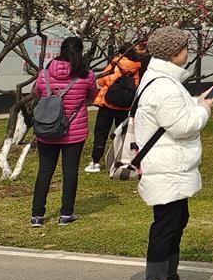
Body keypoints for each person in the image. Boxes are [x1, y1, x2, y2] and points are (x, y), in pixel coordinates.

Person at [133, 26, 213, 280]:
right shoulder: (163, 86)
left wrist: (196, 102)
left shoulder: (162, 81)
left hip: (171, 166)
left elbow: (172, 117)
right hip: (165, 167)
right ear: (174, 53)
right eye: (184, 47)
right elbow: (183, 126)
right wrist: (204, 108)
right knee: (165, 227)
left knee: (177, 221)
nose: (188, 52)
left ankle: (169, 277)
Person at [30, 37, 97, 227]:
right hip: (74, 131)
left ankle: (37, 215)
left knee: (44, 171)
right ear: (80, 51)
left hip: (46, 129)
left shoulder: (44, 74)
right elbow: (92, 96)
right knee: (70, 170)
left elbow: (38, 94)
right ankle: (66, 213)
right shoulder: (87, 76)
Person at [85, 40, 148, 173]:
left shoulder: (116, 64)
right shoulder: (137, 67)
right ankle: (121, 159)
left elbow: (102, 81)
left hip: (107, 104)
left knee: (101, 133)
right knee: (123, 134)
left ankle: (96, 162)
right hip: (125, 105)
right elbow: (137, 86)